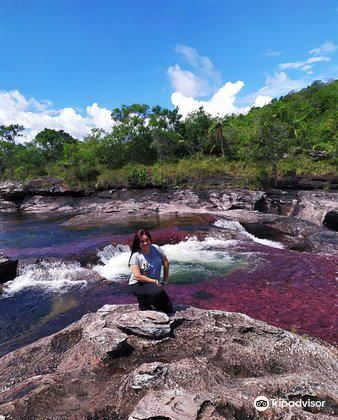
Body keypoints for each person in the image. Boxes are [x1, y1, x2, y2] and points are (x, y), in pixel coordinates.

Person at [128, 229, 173, 314]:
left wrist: (164, 281)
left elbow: (166, 263)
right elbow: (137, 276)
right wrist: (154, 281)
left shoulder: (156, 248)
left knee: (169, 309)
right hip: (138, 284)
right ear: (138, 243)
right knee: (158, 290)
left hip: (153, 284)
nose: (145, 243)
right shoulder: (136, 256)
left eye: (147, 240)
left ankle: (148, 300)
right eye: (142, 241)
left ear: (150, 239)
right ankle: (143, 303)